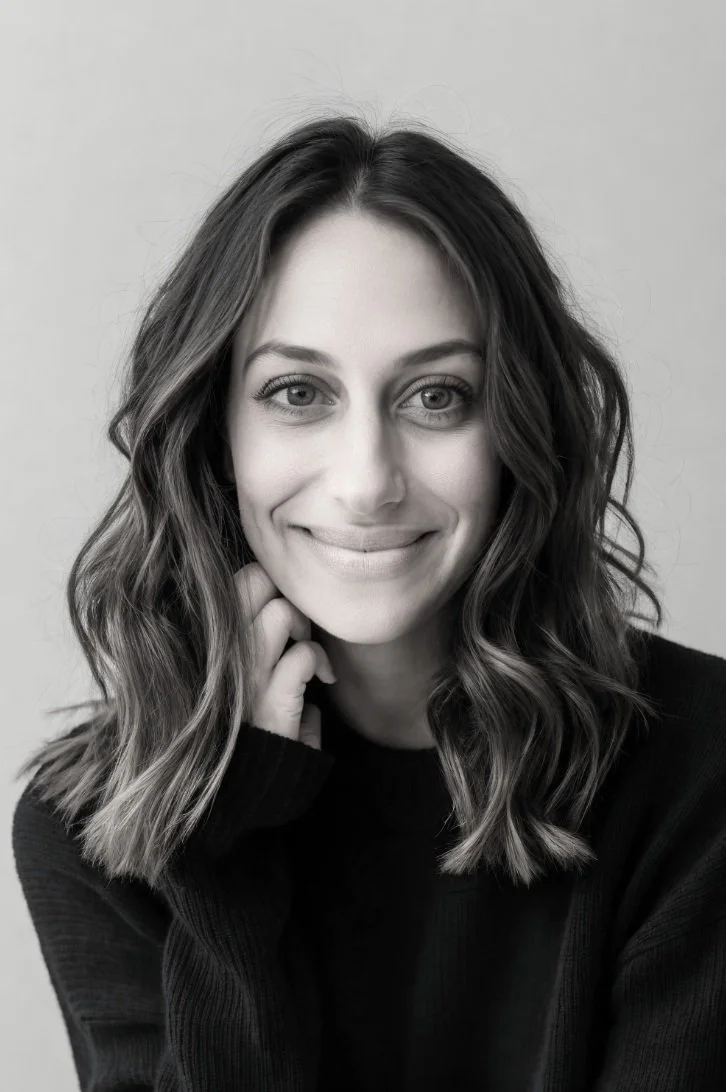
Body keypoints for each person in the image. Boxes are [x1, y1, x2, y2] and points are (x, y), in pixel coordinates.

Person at [11, 113, 726, 1091]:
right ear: (214, 434)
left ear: (520, 422)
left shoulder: (702, 772)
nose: (367, 482)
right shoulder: (91, 824)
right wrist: (225, 865)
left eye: (436, 397)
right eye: (298, 393)